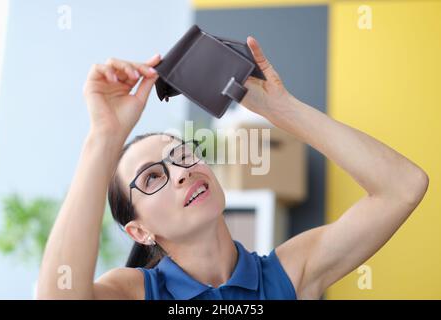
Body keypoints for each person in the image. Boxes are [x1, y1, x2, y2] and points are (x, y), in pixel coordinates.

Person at [36, 36, 429, 300]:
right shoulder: (134, 291)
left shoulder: (288, 273)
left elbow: (403, 186)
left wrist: (284, 110)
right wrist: (104, 137)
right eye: (153, 176)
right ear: (139, 231)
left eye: (182, 155)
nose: (181, 172)